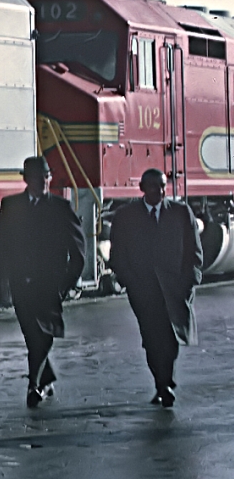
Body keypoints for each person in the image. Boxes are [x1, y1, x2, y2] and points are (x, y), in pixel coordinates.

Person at [0, 155, 85, 408]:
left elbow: (78, 251)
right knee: (33, 335)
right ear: (25, 179)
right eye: (35, 177)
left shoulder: (61, 208)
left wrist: (65, 285)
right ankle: (45, 377)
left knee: (43, 336)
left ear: (49, 178)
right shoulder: (11, 206)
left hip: (49, 285)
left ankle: (34, 385)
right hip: (21, 283)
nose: (41, 182)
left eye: (45, 177)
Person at [107, 168, 202, 407]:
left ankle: (165, 383)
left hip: (175, 288)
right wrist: (128, 280)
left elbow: (194, 250)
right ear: (142, 189)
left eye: (162, 186)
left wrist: (190, 280)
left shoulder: (181, 213)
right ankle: (162, 383)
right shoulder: (125, 216)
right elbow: (117, 254)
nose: (159, 191)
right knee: (151, 338)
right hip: (143, 290)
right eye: (152, 187)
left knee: (170, 338)